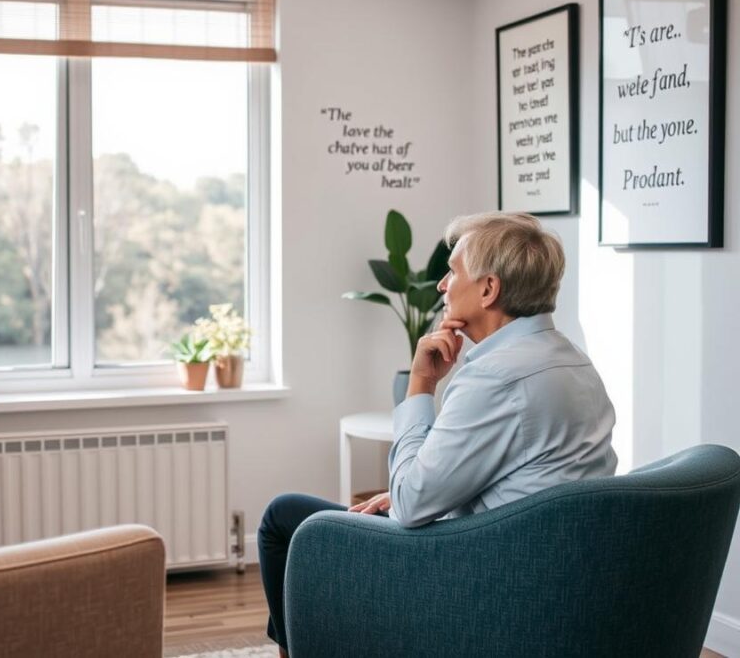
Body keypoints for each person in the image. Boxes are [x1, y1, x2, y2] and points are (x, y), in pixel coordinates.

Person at [257, 212, 617, 657]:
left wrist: (421, 383)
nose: (443, 285)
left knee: (283, 517)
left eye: (453, 272)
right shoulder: (574, 360)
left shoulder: (495, 376)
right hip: (551, 572)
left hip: (473, 576)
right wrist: (421, 490)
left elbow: (410, 506)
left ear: (488, 289)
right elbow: (521, 476)